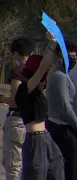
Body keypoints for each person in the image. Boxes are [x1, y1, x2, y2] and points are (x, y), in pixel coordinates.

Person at [15, 33, 65, 179]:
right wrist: (52, 42)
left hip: (46, 137)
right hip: (35, 140)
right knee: (36, 173)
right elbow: (42, 66)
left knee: (57, 167)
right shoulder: (24, 89)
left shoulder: (36, 91)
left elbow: (42, 64)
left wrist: (50, 44)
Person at [46, 40, 77, 180]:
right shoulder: (59, 77)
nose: (73, 60)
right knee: (70, 171)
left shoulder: (62, 75)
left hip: (63, 128)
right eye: (69, 57)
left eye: (75, 57)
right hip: (63, 130)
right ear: (60, 57)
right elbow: (65, 108)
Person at [0, 37, 33, 180]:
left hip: (17, 122)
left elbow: (16, 100)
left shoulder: (18, 70)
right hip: (34, 123)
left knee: (14, 167)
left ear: (16, 53)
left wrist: (1, 98)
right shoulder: (38, 70)